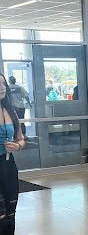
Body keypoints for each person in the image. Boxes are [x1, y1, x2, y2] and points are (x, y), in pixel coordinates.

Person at [0, 73, 25, 235]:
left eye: (3, 84)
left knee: (10, 213)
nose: (2, 87)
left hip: (8, 166)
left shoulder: (11, 111)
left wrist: (16, 146)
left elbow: (21, 139)